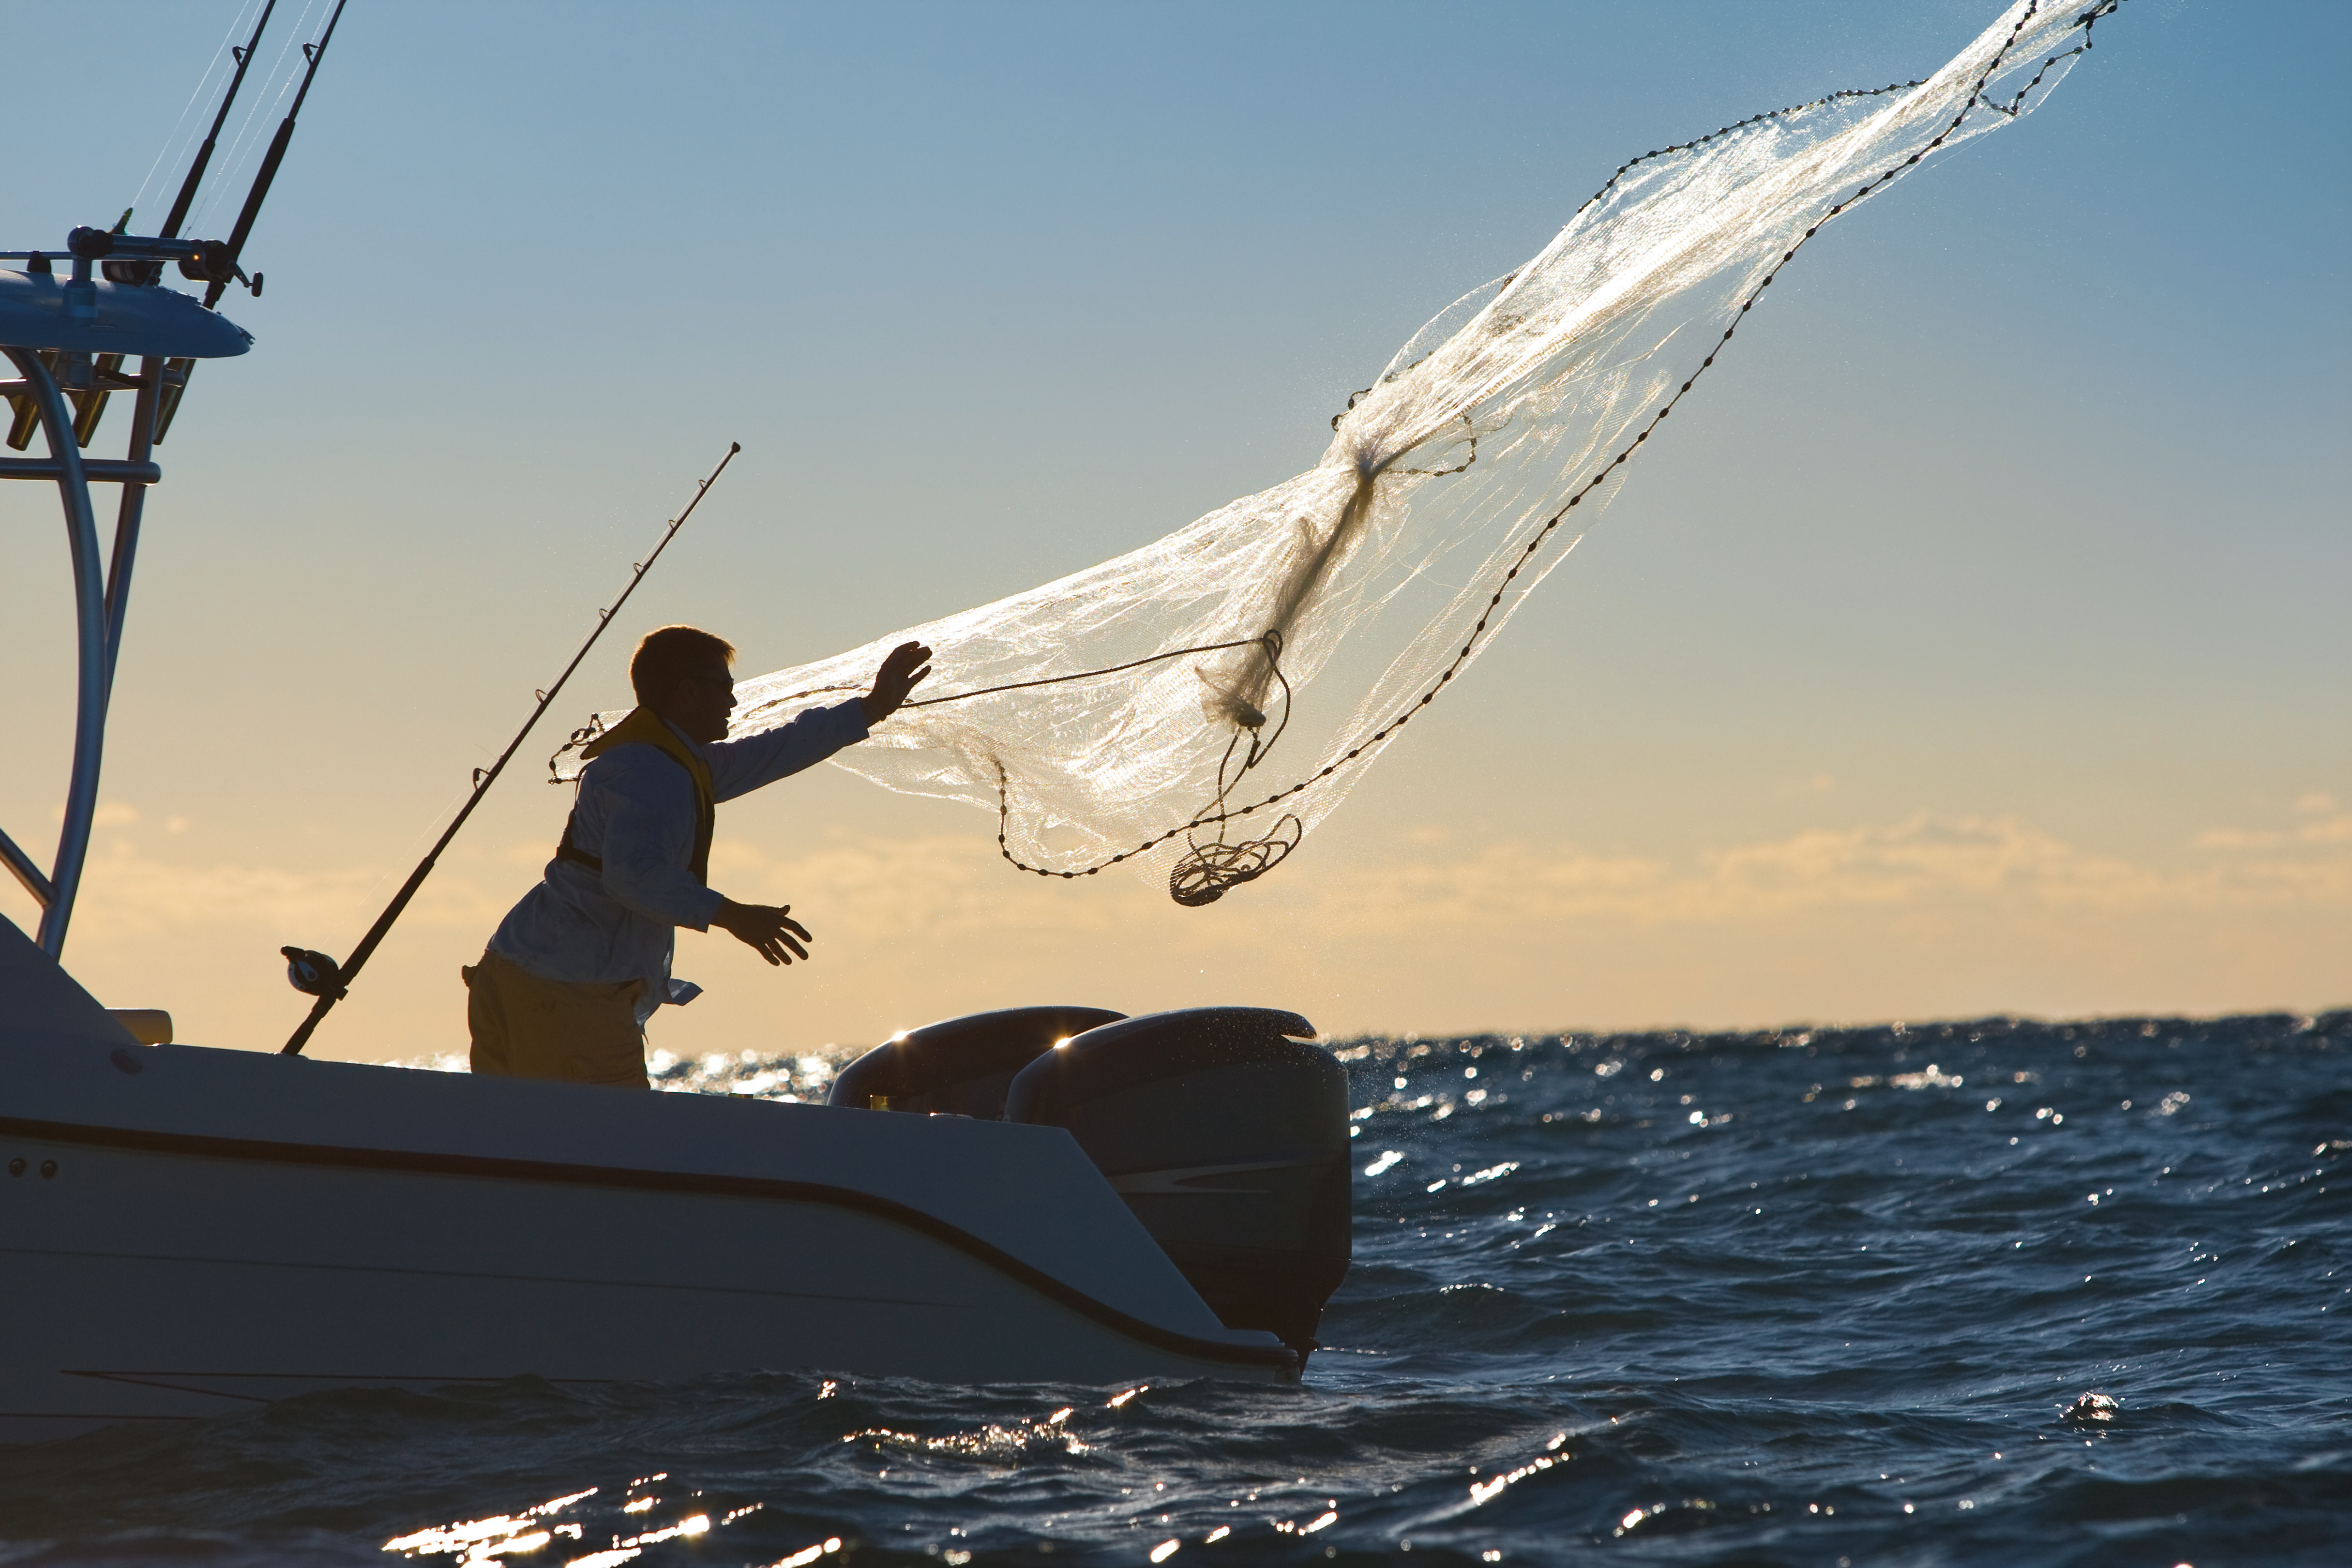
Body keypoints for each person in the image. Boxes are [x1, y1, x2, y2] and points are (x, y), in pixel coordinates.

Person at [464, 625, 931, 1088]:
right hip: (567, 994)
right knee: (608, 1151)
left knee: (512, 1141)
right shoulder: (650, 771)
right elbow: (634, 877)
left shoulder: (669, 762)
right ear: (687, 692)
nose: (733, 701)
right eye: (725, 687)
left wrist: (871, 708)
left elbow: (775, 750)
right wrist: (733, 916)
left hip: (519, 973)